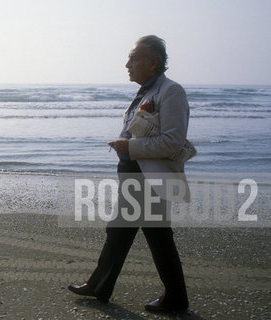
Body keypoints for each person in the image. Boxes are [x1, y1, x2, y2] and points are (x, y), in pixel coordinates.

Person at [68, 35, 190, 313]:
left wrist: (128, 146)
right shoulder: (147, 91)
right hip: (136, 175)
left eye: (134, 58)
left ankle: (175, 298)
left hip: (148, 178)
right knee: (121, 233)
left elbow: (173, 141)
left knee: (155, 236)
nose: (127, 64)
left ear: (153, 62)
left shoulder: (171, 91)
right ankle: (99, 286)